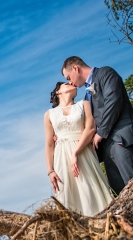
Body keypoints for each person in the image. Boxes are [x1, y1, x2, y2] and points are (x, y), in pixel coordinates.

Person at [61, 56, 133, 195]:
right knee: (118, 190)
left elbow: (113, 101)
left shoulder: (106, 73)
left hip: (122, 138)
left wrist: (101, 132)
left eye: (68, 77)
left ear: (75, 68)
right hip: (106, 146)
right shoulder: (88, 91)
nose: (70, 82)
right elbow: (86, 120)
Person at [44, 82, 112, 216]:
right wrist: (50, 170)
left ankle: (102, 220)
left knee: (89, 187)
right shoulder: (49, 114)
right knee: (66, 191)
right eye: (65, 83)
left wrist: (76, 153)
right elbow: (49, 144)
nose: (71, 83)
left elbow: (90, 129)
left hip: (83, 151)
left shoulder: (84, 104)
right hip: (62, 155)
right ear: (58, 92)